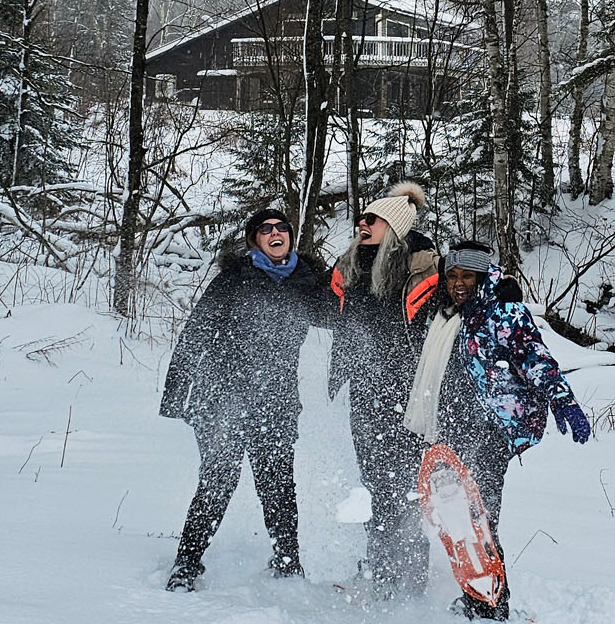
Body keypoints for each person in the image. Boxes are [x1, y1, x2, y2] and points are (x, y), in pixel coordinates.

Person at [404, 238, 591, 620]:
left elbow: (535, 358)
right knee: (457, 513)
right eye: (452, 275)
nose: (458, 283)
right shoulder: (445, 314)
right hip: (452, 426)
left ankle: (491, 606)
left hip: (490, 427)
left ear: (483, 276)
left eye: (467, 276)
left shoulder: (502, 312)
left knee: (480, 515)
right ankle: (476, 596)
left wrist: (563, 400)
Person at [161, 205, 331, 590]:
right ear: (255, 239)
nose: (275, 233)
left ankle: (287, 562)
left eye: (281, 227)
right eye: (265, 229)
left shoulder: (305, 282)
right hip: (223, 397)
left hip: (277, 399)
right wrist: (176, 394)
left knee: (278, 484)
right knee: (218, 480)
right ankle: (187, 562)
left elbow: (342, 313)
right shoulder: (234, 280)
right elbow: (196, 333)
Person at [328, 180, 438, 597]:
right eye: (361, 218)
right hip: (363, 389)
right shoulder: (352, 264)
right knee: (375, 481)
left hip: (407, 393)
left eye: (371, 219)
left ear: (392, 226)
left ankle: (410, 573)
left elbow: (462, 295)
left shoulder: (421, 265)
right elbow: (320, 300)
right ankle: (379, 564)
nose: (362, 223)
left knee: (407, 485)